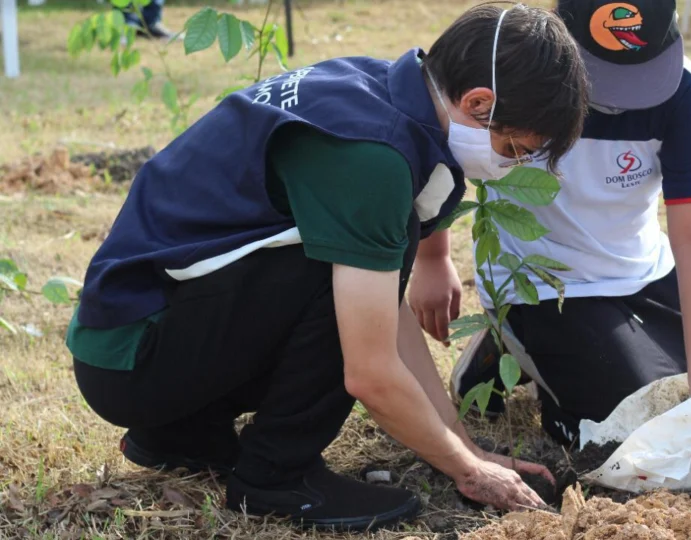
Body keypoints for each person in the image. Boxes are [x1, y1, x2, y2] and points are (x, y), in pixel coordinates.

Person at [65, 3, 588, 532]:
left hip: (131, 337)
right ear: (479, 102)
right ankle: (276, 475)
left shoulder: (375, 87)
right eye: (513, 147)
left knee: (361, 266)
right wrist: (469, 471)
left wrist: (462, 443)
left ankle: (181, 433)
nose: (509, 163)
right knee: (340, 271)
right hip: (138, 357)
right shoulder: (373, 158)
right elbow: (372, 369)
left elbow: (386, 310)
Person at [409, 0, 691, 447]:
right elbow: (444, 142)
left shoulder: (683, 88)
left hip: (643, 272)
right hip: (545, 285)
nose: (618, 97)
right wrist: (432, 258)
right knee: (637, 426)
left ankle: (520, 352)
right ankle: (506, 340)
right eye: (599, 75)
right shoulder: (514, 74)